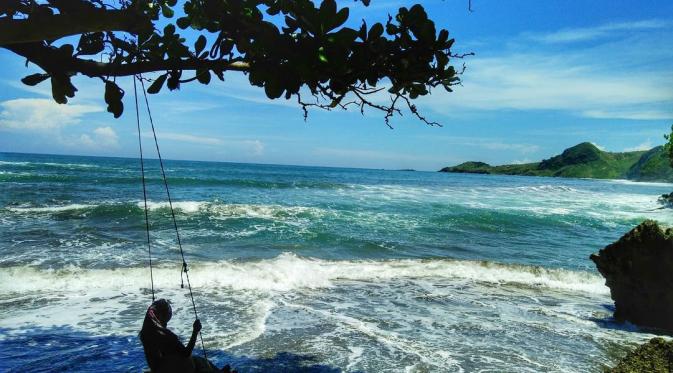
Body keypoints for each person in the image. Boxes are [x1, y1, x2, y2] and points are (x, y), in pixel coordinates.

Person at [139, 299, 235, 373]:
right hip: (176, 369)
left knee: (199, 360)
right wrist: (195, 331)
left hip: (157, 368)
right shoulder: (167, 336)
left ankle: (219, 371)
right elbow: (186, 353)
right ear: (162, 316)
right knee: (201, 363)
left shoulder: (145, 333)